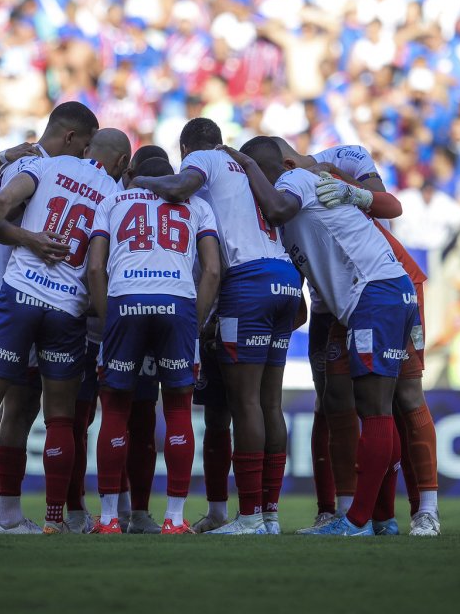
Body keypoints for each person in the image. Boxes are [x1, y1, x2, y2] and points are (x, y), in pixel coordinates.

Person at [0, 127, 129, 535]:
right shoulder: (116, 197)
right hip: (68, 312)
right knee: (60, 419)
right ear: (122, 164)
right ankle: (53, 521)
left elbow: (1, 202)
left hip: (19, 297)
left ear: (87, 148)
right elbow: (99, 266)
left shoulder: (44, 166)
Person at [226, 136, 417, 537]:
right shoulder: (295, 202)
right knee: (373, 408)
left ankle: (357, 521)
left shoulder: (293, 181)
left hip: (375, 294)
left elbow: (278, 209)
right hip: (382, 293)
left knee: (375, 409)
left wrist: (245, 164)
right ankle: (382, 519)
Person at [132, 118, 302, 536]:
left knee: (242, 404)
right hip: (284, 278)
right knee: (267, 403)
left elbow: (176, 188)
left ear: (187, 148)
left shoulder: (206, 158)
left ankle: (247, 518)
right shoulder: (247, 170)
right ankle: (268, 515)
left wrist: (140, 182)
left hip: (247, 282)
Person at [0, 101, 98, 533]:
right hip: (57, 305)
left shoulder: (43, 169)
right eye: (86, 145)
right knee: (37, 412)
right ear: (73, 138)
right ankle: (29, 514)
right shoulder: (80, 177)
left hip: (12, 297)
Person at [87, 155, 222, 534]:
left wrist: (108, 315)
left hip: (125, 301)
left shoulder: (113, 201)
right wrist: (194, 323)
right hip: (177, 302)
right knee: (178, 409)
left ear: (136, 173)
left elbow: (94, 268)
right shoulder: (197, 205)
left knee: (114, 410)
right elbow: (212, 269)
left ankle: (110, 518)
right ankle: (175, 519)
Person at [72, 144, 173, 535]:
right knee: (118, 419)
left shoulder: (113, 202)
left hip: (111, 325)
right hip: (123, 326)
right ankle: (92, 510)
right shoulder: (110, 200)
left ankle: (120, 511)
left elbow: (90, 264)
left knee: (118, 419)